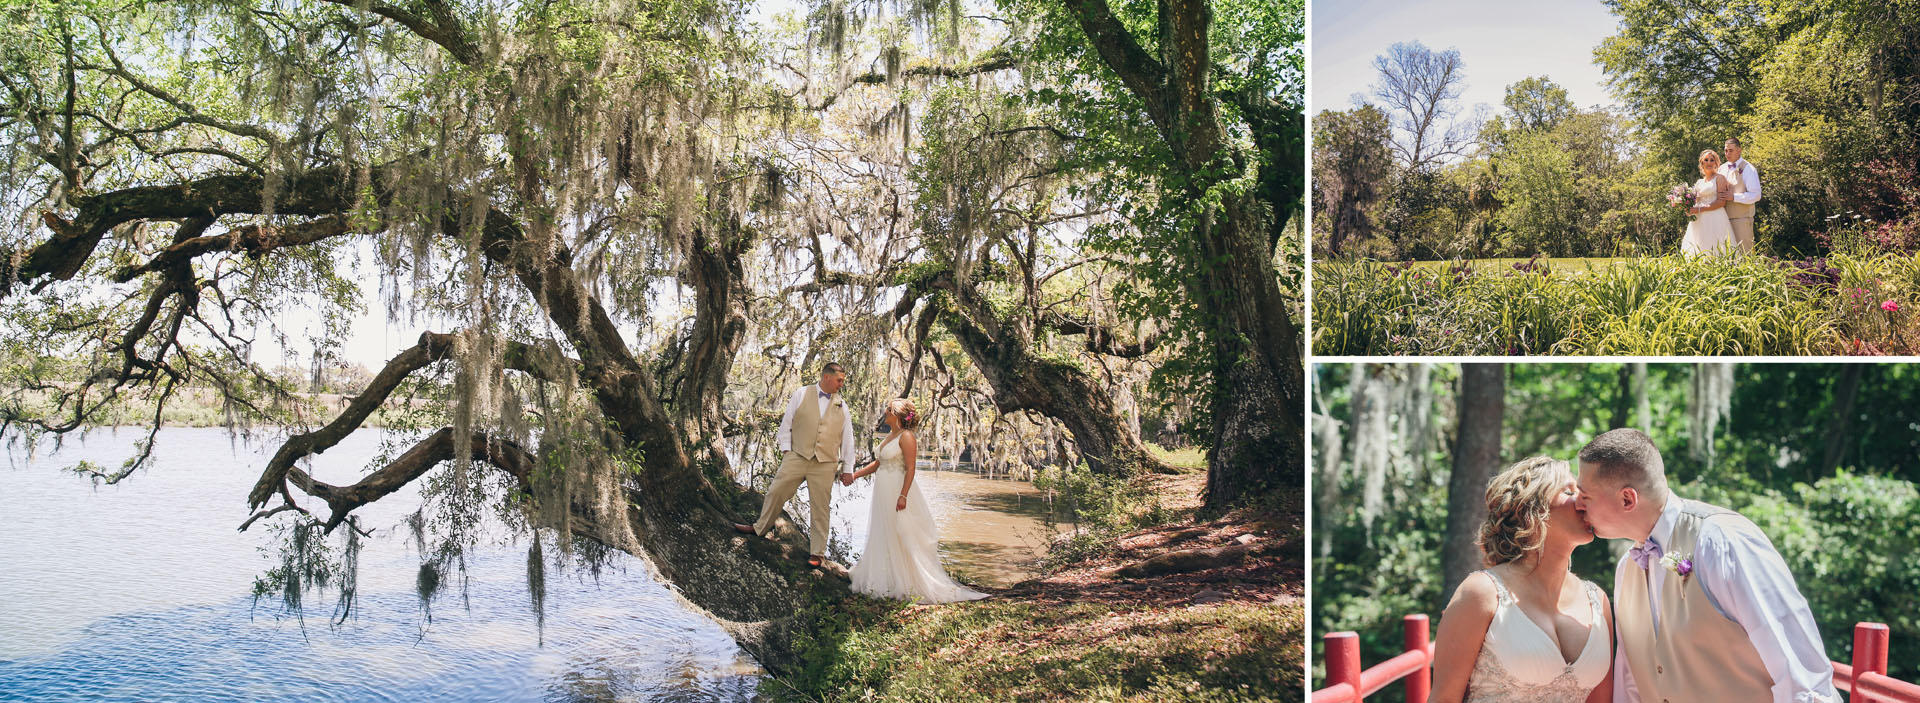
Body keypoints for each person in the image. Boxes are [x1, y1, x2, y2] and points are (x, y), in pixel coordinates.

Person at [1575, 428, 1836, 703]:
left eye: (1585, 495)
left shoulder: (1723, 542)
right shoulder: (1626, 570)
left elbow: (1800, 673)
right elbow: (1631, 686)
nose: (1577, 505)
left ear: (1627, 499)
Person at [1430, 457, 1613, 703]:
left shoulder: (1597, 601)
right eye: (1569, 491)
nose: (1583, 501)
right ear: (1533, 509)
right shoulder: (1482, 593)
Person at [843, 398, 986, 603]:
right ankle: (886, 576)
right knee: (884, 530)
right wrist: (854, 476)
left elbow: (911, 468)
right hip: (882, 491)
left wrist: (903, 495)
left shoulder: (907, 436)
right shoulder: (890, 436)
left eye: (889, 409)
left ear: (898, 414)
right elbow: (877, 463)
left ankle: (907, 581)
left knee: (901, 532)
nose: (885, 412)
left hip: (896, 489)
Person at [735, 362, 857, 568]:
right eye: (839, 380)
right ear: (827, 377)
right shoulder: (801, 394)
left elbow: (848, 439)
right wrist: (786, 449)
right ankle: (760, 528)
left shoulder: (842, 406)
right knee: (776, 491)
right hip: (797, 456)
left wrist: (848, 469)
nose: (841, 385)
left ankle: (817, 553)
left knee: (820, 508)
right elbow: (787, 423)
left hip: (825, 463)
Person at [1679, 150, 1738, 256]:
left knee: (1716, 247)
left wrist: (1700, 209)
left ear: (1716, 163)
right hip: (1699, 219)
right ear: (1702, 163)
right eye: (1706, 160)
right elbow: (1696, 201)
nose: (1709, 162)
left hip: (1715, 217)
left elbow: (1721, 202)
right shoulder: (1699, 182)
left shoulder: (1719, 178)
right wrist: (1687, 207)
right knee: (1698, 247)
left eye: (1712, 160)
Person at [1719, 137, 1763, 254]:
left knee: (1745, 254)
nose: (1727, 153)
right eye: (1725, 150)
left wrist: (1734, 197)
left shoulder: (1749, 169)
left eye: (1731, 150)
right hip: (1722, 219)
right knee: (1725, 255)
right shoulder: (1721, 169)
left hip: (1741, 219)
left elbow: (1756, 195)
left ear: (1739, 150)